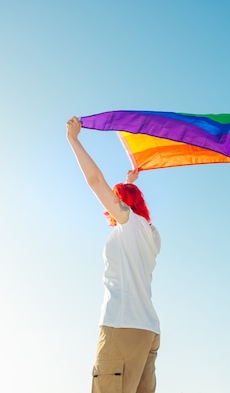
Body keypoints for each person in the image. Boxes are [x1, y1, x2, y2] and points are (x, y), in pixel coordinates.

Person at [66, 116, 162, 393]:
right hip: (148, 332)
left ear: (121, 204)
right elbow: (131, 208)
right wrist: (130, 183)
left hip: (123, 325)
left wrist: (74, 140)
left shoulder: (128, 224)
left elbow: (96, 182)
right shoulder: (153, 235)